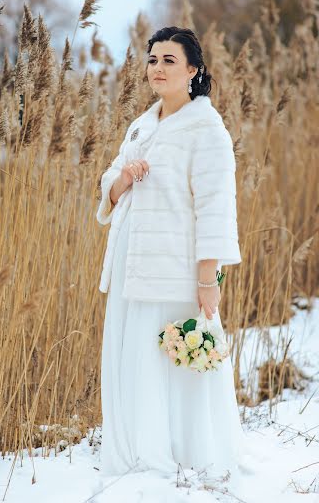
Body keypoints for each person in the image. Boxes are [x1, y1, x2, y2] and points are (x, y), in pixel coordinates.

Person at [96, 26, 248, 479]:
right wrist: (124, 177)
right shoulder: (143, 123)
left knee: (178, 357)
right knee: (135, 357)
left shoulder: (206, 128)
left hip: (177, 267)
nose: (157, 68)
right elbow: (109, 182)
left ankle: (189, 454)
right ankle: (138, 452)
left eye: (169, 60)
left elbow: (216, 208)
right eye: (152, 59)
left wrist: (208, 279)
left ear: (193, 70)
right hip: (131, 260)